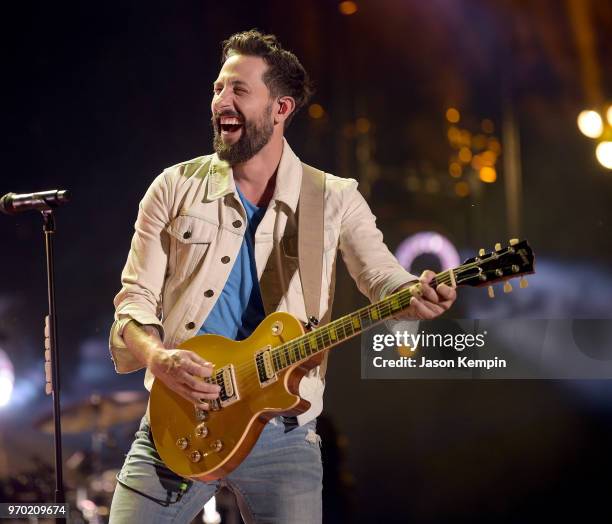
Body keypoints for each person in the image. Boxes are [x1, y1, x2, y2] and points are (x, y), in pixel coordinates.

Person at [108, 30, 456, 524]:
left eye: (238, 91)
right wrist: (158, 358)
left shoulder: (333, 197)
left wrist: (413, 294)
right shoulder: (174, 187)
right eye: (217, 89)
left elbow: (382, 277)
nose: (220, 102)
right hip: (179, 417)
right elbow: (134, 300)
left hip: (283, 435)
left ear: (281, 108)